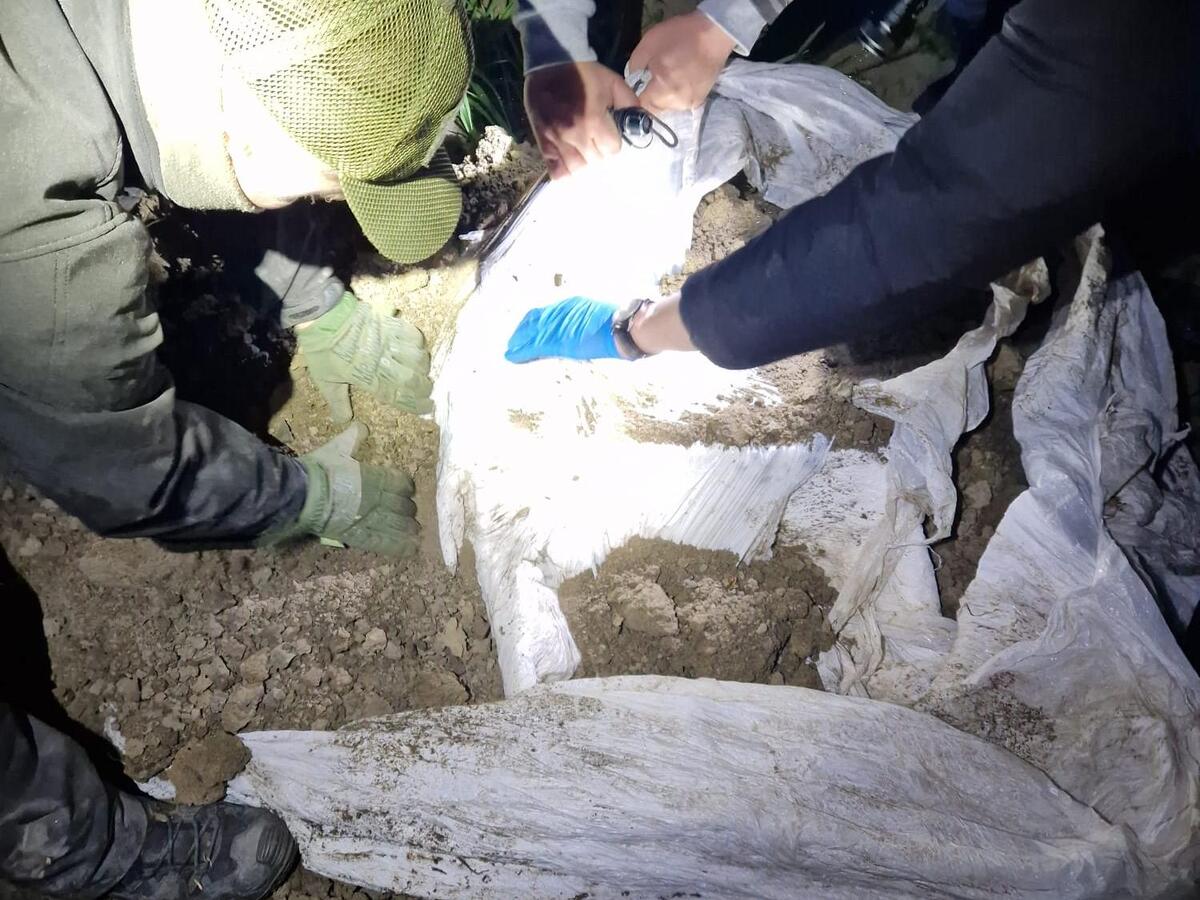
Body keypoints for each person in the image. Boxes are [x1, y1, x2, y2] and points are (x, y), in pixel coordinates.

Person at [0, 0, 474, 896]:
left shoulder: (196, 39)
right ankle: (77, 849)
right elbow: (124, 467)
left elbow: (208, 123)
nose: (326, 202)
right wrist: (300, 498)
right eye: (328, 185)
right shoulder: (30, 210)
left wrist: (316, 308)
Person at [506, 0, 1197, 374]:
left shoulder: (1117, 34)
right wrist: (555, 39)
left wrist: (647, 328)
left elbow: (929, 216)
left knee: (1105, 193)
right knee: (978, 46)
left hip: (1143, 65)